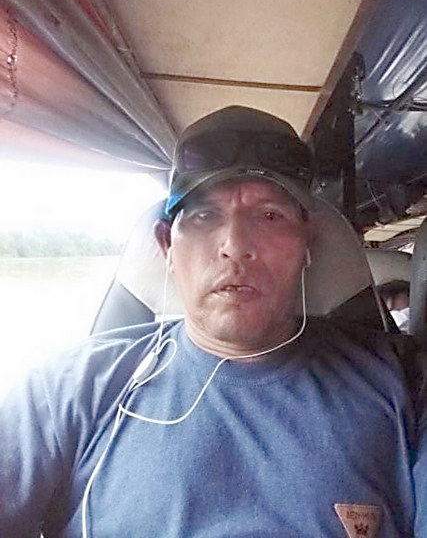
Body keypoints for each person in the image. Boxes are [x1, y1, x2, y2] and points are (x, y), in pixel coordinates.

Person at [1, 106, 426, 537]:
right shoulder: (70, 390)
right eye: (205, 215)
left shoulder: (407, 383)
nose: (235, 246)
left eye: (269, 216)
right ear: (166, 245)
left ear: (307, 243)